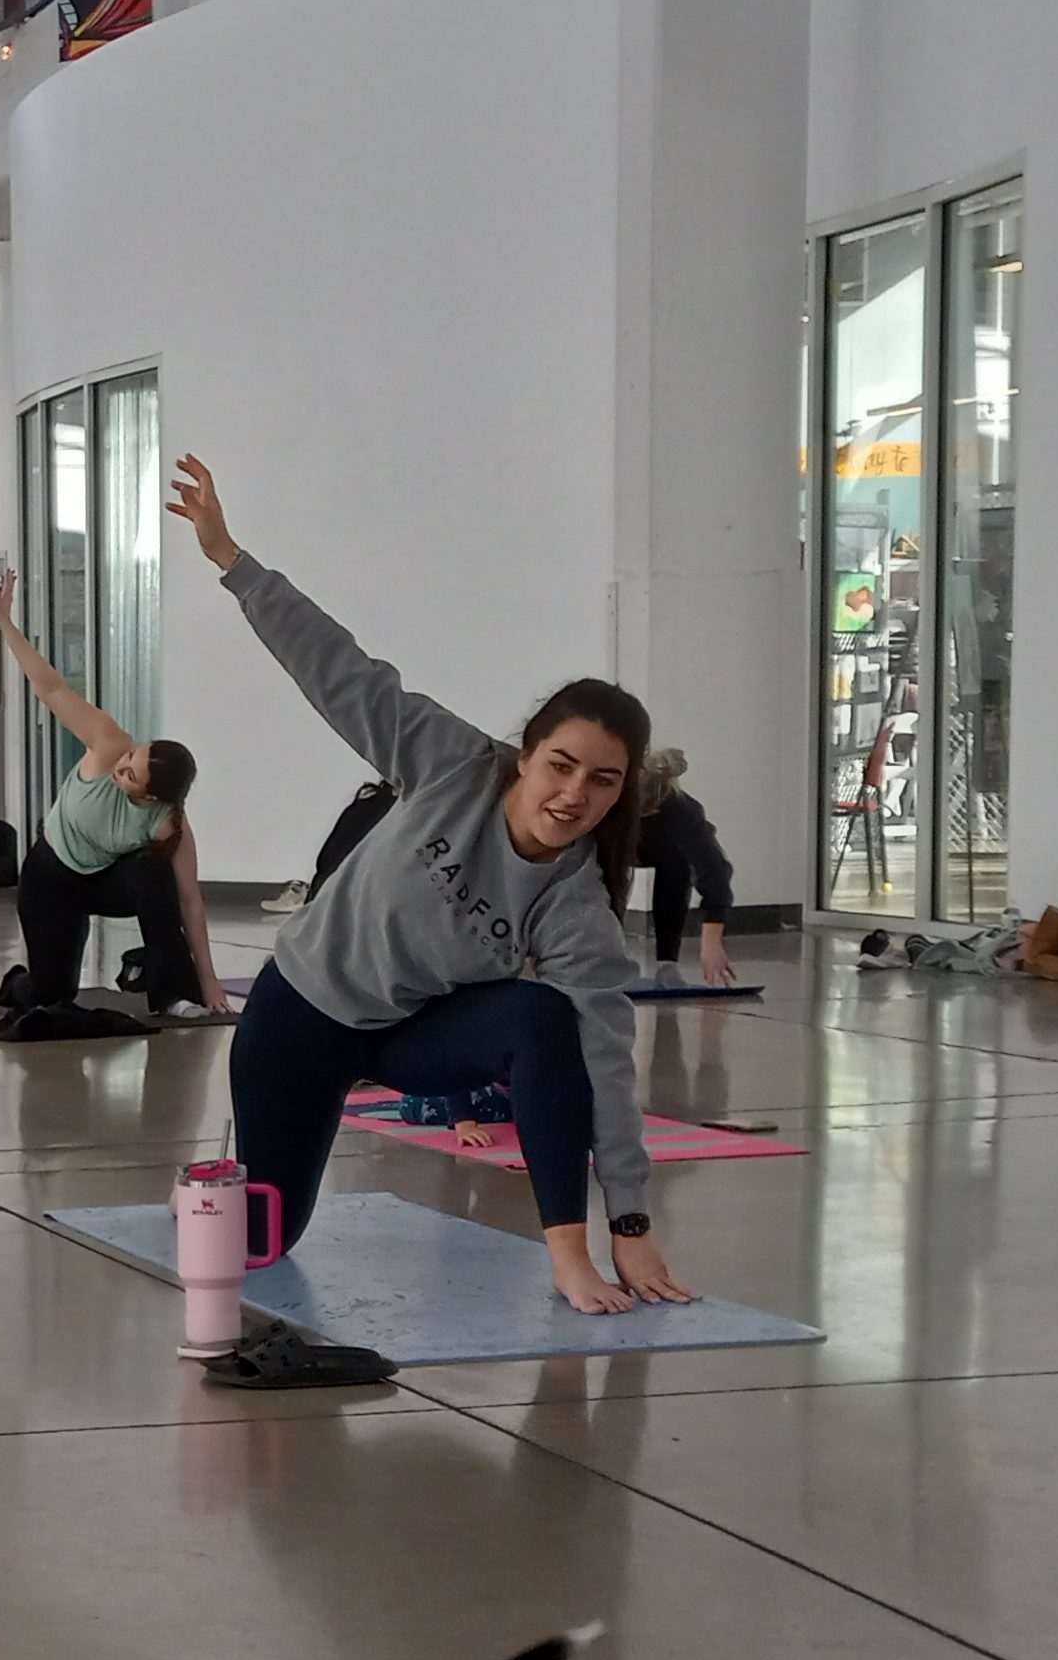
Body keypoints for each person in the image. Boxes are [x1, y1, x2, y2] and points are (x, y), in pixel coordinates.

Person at [171, 454, 692, 1316]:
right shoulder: (451, 762)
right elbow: (337, 669)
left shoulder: (575, 905)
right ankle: (217, 1189)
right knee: (263, 1241)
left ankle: (565, 1258)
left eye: (602, 782)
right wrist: (233, 559)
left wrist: (628, 1220)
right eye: (560, 766)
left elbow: (606, 1063)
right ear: (526, 755)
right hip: (300, 1013)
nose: (573, 794)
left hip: (409, 1038)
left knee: (550, 1021)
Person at [0, 574, 224, 1021]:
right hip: (50, 876)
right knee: (50, 995)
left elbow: (190, 900)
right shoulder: (108, 743)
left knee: (157, 878)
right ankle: (18, 984)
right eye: (131, 757)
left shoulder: (167, 821)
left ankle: (172, 993)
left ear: (151, 794)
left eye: (131, 774)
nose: (122, 766)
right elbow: (52, 689)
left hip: (103, 881)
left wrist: (210, 981)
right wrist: (5, 623)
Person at [636, 750, 739, 990]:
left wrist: (712, 943)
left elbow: (715, 872)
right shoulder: (607, 799)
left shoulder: (682, 810)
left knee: (678, 864)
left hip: (664, 851)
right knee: (601, 874)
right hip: (613, 848)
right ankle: (606, 960)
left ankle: (667, 964)